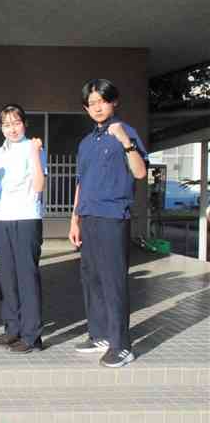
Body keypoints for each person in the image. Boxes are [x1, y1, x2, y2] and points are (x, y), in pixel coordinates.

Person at [69, 79, 147, 368]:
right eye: (92, 103)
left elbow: (140, 173)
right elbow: (81, 182)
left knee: (113, 281)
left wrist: (125, 142)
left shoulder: (127, 132)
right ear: (86, 108)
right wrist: (74, 219)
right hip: (88, 216)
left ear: (114, 102)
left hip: (113, 216)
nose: (97, 106)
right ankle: (99, 334)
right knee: (92, 279)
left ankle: (122, 345)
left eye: (102, 100)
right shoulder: (86, 143)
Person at [0, 104, 46, 354]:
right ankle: (12, 328)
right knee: (7, 277)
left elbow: (39, 185)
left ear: (24, 123)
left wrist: (35, 153)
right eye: (6, 124)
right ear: (1, 127)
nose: (12, 128)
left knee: (26, 277)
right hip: (3, 219)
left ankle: (32, 335)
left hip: (26, 218)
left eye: (16, 122)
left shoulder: (33, 147)